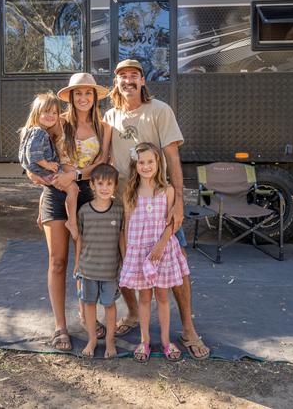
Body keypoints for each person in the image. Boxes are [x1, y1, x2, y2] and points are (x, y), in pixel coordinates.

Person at [103, 58, 211, 360]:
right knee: (125, 260)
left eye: (134, 75)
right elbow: (104, 159)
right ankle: (135, 314)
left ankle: (188, 328)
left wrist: (178, 202)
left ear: (143, 81)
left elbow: (173, 158)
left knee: (175, 264)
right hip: (125, 203)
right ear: (116, 83)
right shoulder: (110, 116)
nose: (128, 80)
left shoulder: (159, 111)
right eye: (122, 76)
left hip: (160, 201)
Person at [27, 73, 113, 352]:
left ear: (95, 97)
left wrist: (74, 175)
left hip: (88, 195)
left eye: (88, 93)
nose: (83, 98)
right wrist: (39, 178)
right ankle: (60, 326)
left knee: (85, 262)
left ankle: (86, 316)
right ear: (71, 97)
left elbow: (101, 162)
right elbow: (32, 151)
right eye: (78, 94)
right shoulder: (57, 122)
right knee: (58, 261)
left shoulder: (104, 127)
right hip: (55, 194)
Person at [119, 142, 188, 362]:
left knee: (162, 296)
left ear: (158, 163)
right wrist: (128, 254)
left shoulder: (167, 191)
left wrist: (161, 245)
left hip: (162, 250)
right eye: (141, 162)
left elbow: (171, 223)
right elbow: (128, 224)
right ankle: (145, 340)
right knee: (145, 298)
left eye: (150, 161)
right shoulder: (130, 192)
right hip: (139, 252)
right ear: (135, 165)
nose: (146, 166)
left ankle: (167, 341)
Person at [72, 163, 125, 358]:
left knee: (109, 305)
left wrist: (125, 261)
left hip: (110, 270)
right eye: (100, 183)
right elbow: (80, 240)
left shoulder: (118, 210)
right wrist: (77, 263)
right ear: (92, 185)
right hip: (88, 269)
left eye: (109, 184)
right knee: (89, 304)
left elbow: (121, 237)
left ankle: (110, 340)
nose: (104, 188)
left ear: (115, 186)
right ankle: (92, 339)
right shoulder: (84, 211)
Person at [18, 92, 80, 239]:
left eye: (54, 112)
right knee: (73, 188)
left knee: (47, 189)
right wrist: (47, 165)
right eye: (46, 112)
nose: (51, 116)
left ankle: (41, 216)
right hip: (43, 169)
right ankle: (72, 221)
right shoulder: (39, 132)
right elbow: (34, 154)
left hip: (40, 170)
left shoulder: (31, 131)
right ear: (36, 113)